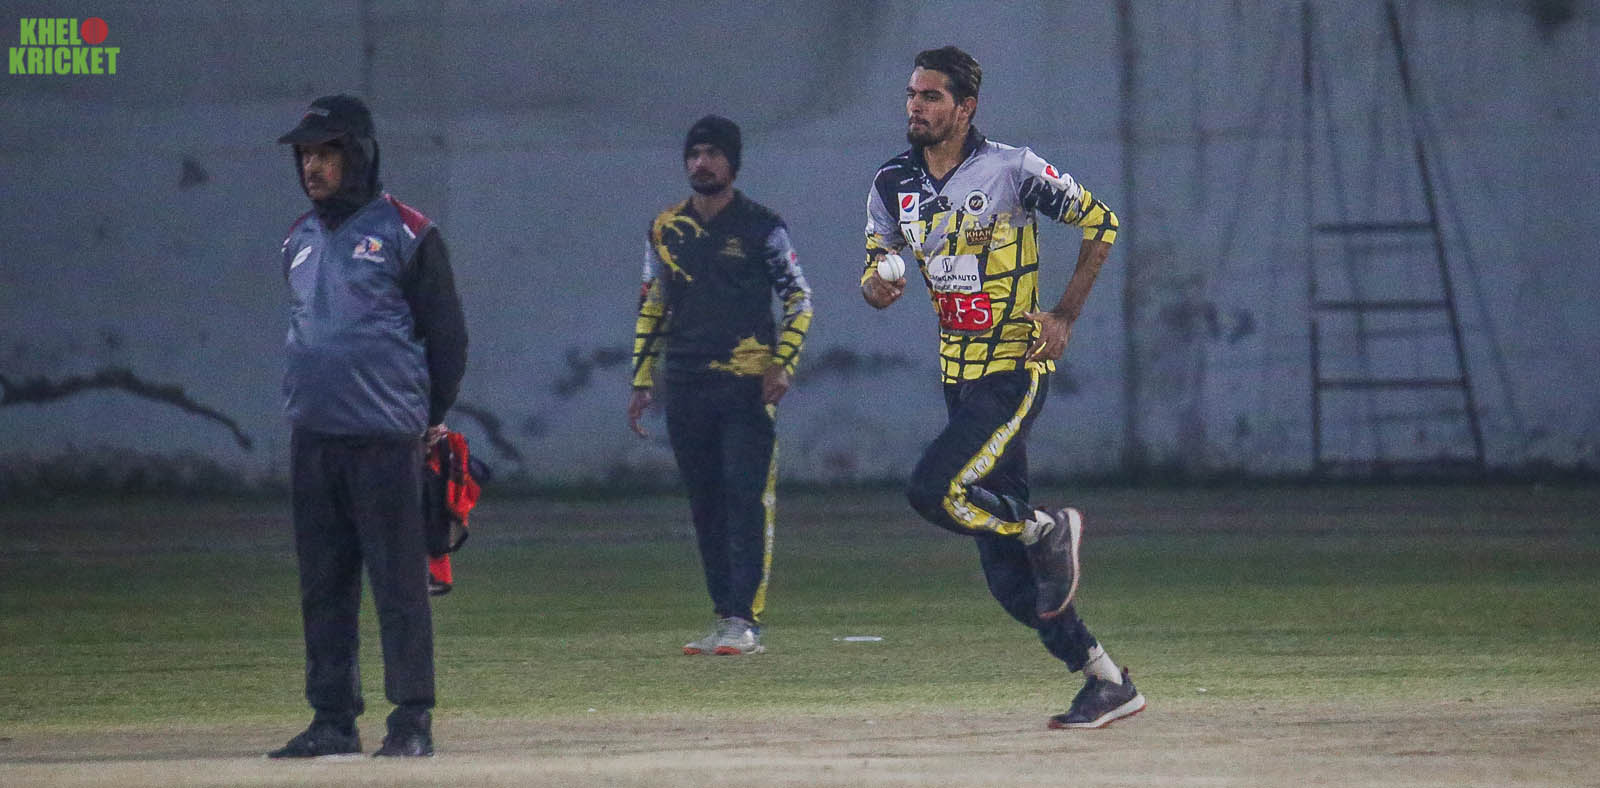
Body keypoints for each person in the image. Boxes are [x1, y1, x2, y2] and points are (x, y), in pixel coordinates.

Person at [859, 47, 1145, 729]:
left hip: (1011, 370)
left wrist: (1065, 315)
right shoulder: (893, 182)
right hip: (957, 379)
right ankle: (1107, 680)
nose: (915, 107)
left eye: (931, 96)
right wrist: (877, 285)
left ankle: (1044, 526)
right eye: (912, 94)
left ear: (966, 108)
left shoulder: (1012, 170)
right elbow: (876, 269)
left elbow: (1101, 223)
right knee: (1009, 583)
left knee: (932, 490)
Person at [269, 94, 468, 758]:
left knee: (398, 584)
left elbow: (448, 338)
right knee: (322, 586)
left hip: (385, 439)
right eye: (305, 155)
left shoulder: (409, 233)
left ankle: (411, 720)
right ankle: (332, 720)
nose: (312, 167)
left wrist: (427, 418)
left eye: (326, 153)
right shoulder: (297, 238)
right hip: (313, 438)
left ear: (358, 156)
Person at [628, 115, 813, 657]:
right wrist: (642, 379)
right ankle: (723, 615)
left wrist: (783, 364)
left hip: (746, 386)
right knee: (705, 503)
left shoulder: (761, 226)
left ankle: (743, 620)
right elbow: (652, 305)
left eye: (712, 154)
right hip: (686, 383)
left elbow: (799, 298)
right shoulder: (665, 229)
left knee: (745, 496)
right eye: (694, 154)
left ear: (732, 163)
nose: (701, 163)